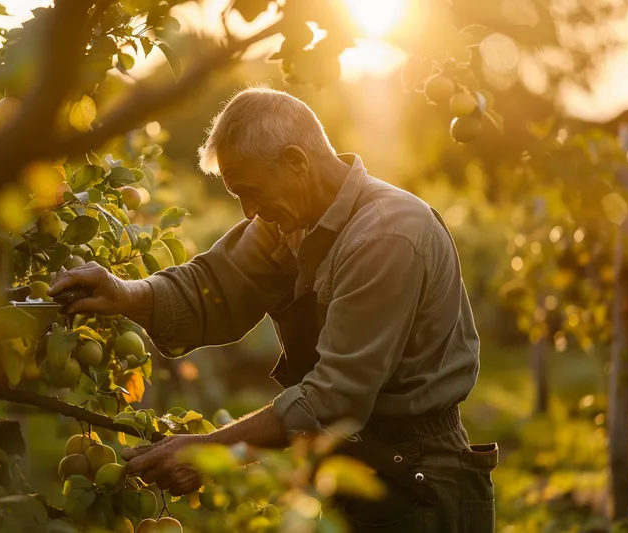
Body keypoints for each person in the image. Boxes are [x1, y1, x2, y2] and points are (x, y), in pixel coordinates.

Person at [48, 87, 498, 532]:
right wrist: (125, 293)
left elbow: (334, 398)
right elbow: (213, 286)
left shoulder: (385, 237)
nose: (248, 210)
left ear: (296, 161)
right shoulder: (294, 220)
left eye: (250, 190)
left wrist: (212, 450)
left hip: (422, 483)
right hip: (360, 468)